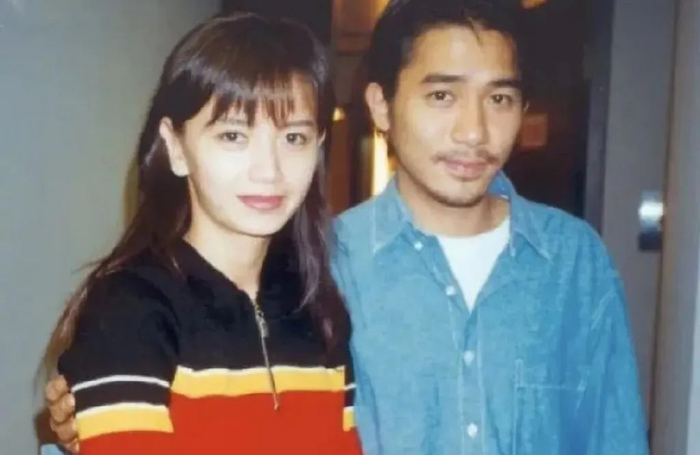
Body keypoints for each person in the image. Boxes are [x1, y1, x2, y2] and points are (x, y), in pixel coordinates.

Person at [46, 1, 649, 454]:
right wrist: (87, 423)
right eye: (442, 96)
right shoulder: (330, 271)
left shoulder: (576, 261)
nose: (473, 131)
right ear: (381, 106)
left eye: (499, 99)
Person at [42, 13, 361, 455]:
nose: (269, 170)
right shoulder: (129, 309)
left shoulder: (318, 310)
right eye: (233, 135)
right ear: (175, 147)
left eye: (293, 138)